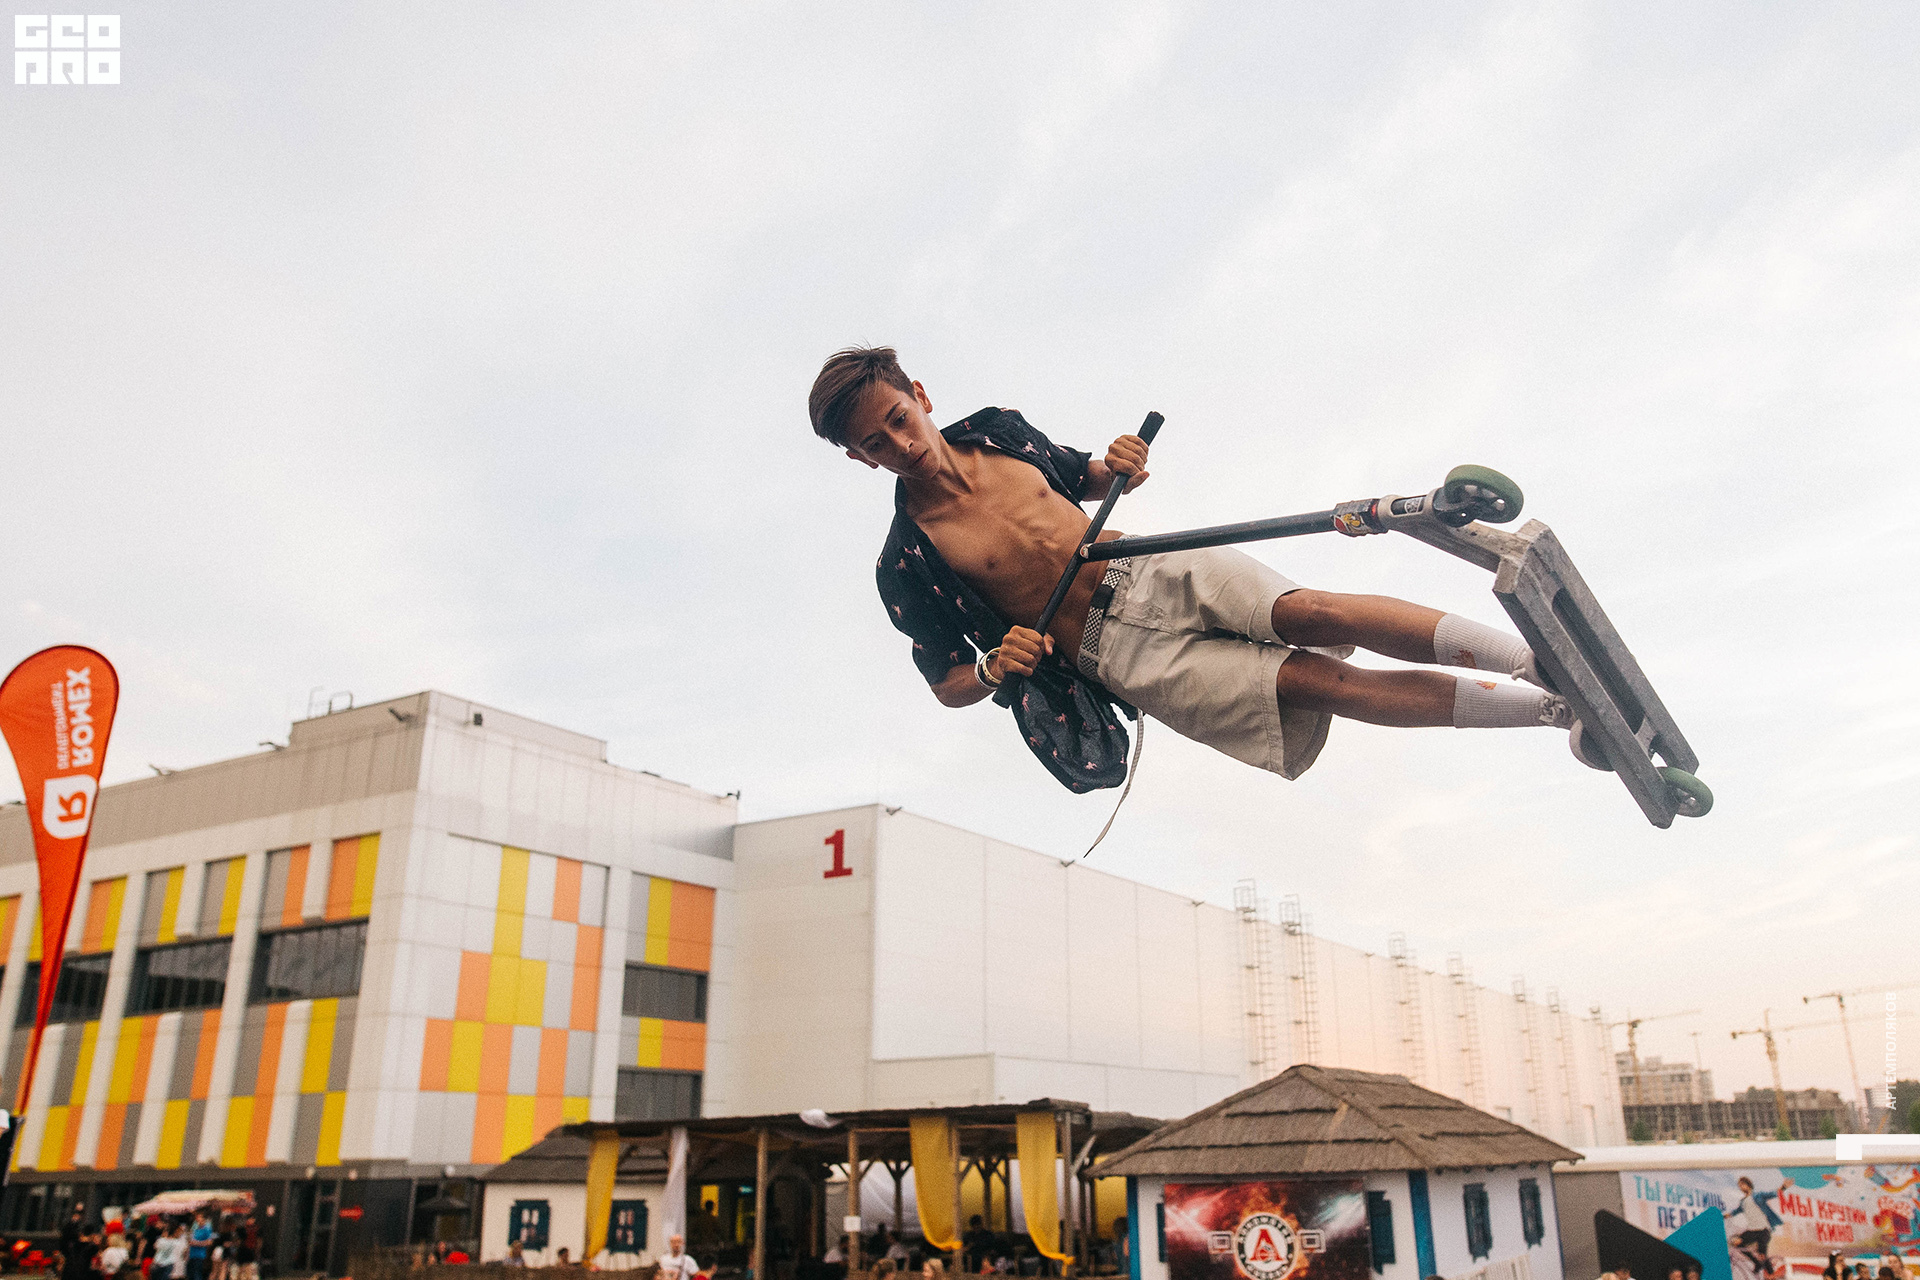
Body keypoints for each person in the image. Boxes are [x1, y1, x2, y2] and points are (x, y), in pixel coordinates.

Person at [810, 348, 1580, 796]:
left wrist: (1119, 463)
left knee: (1314, 612)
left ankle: (1532, 661)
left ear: (919, 396)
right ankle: (1554, 713)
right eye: (875, 444)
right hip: (1117, 655)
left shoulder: (997, 431)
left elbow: (1085, 477)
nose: (900, 445)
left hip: (1143, 566)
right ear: (857, 458)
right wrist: (990, 666)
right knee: (1323, 684)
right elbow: (948, 682)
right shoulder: (904, 560)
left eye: (898, 420)